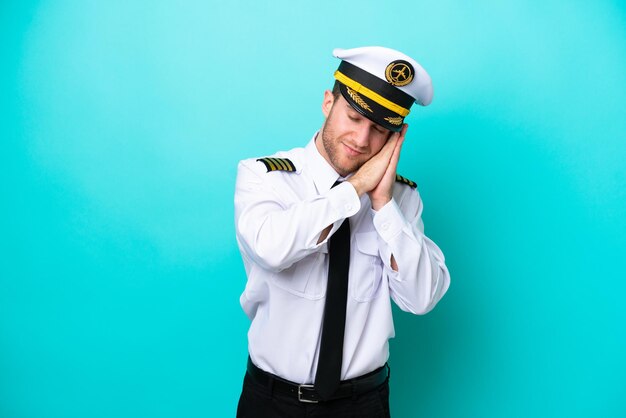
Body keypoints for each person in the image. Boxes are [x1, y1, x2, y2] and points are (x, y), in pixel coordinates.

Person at [234, 46, 451, 417]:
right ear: (327, 103)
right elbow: (271, 247)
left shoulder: (401, 199)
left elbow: (421, 298)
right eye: (352, 117)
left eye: (380, 129)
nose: (362, 139)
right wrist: (354, 190)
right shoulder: (264, 176)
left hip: (362, 404)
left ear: (395, 137)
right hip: (272, 402)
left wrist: (383, 205)